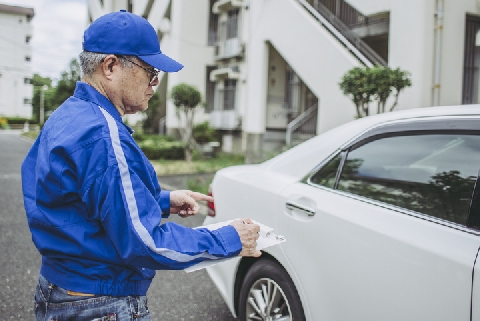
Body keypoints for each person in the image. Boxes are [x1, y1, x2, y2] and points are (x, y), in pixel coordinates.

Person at [21, 10, 260, 321]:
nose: (156, 82)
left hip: (60, 289)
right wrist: (230, 239)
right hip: (99, 302)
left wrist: (162, 200)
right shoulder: (102, 134)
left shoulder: (68, 115)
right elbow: (144, 242)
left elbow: (77, 198)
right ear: (110, 66)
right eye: (150, 70)